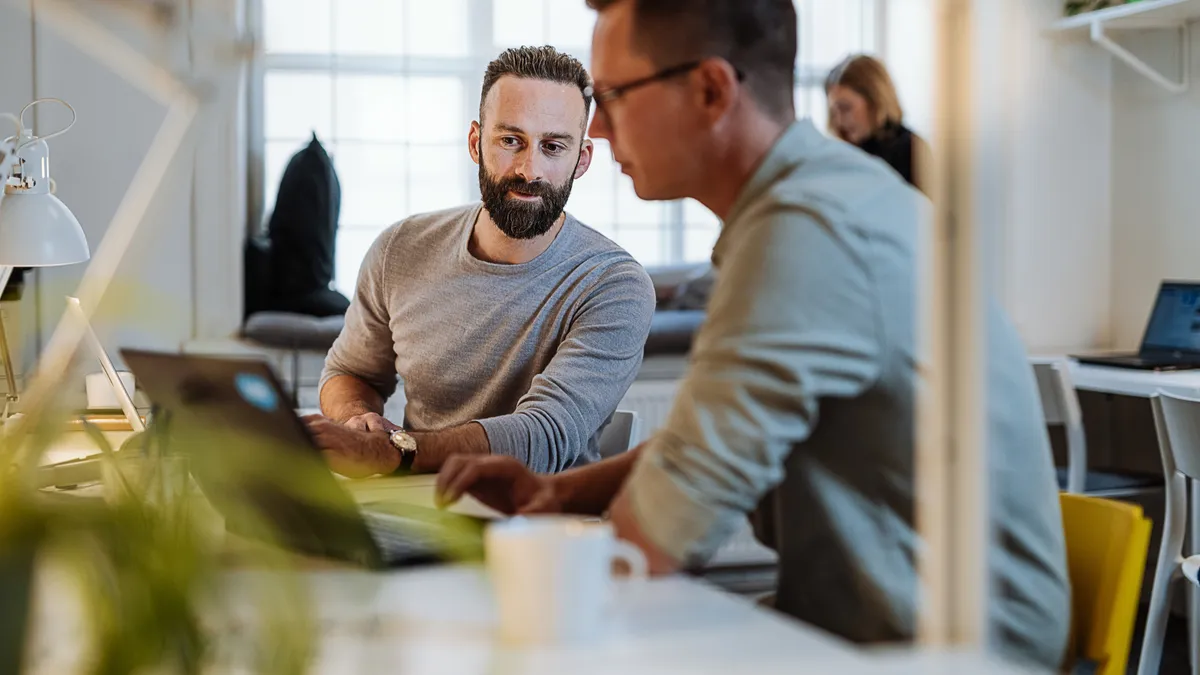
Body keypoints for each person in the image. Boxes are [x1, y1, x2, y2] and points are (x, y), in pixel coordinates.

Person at [436, 0, 1070, 668]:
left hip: (957, 653)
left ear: (712, 89)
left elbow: (647, 547)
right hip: (868, 623)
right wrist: (558, 493)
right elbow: (694, 448)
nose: (599, 130)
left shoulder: (806, 232)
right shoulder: (816, 198)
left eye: (614, 95)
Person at [306, 46, 656, 477]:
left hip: (540, 524)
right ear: (476, 142)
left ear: (581, 160)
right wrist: (355, 419)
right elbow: (350, 372)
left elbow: (544, 435)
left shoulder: (615, 285)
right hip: (414, 507)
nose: (530, 170)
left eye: (552, 146)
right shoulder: (400, 248)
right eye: (511, 141)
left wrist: (392, 452)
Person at [825, 54, 930, 194]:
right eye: (833, 112)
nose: (838, 121)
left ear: (875, 101)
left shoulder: (912, 150)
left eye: (846, 108)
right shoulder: (842, 154)